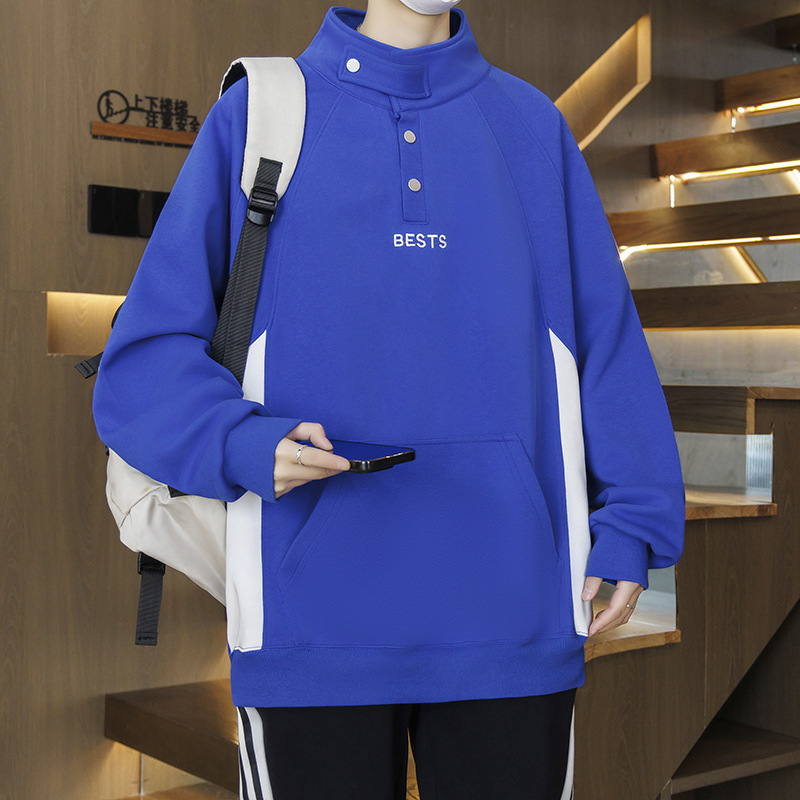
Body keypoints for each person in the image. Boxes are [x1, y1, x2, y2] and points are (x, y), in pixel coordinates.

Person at [93, 1, 686, 798]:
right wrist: (239, 442)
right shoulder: (259, 115)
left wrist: (635, 522)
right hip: (308, 617)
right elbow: (143, 358)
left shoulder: (532, 127)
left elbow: (605, 343)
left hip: (511, 608)